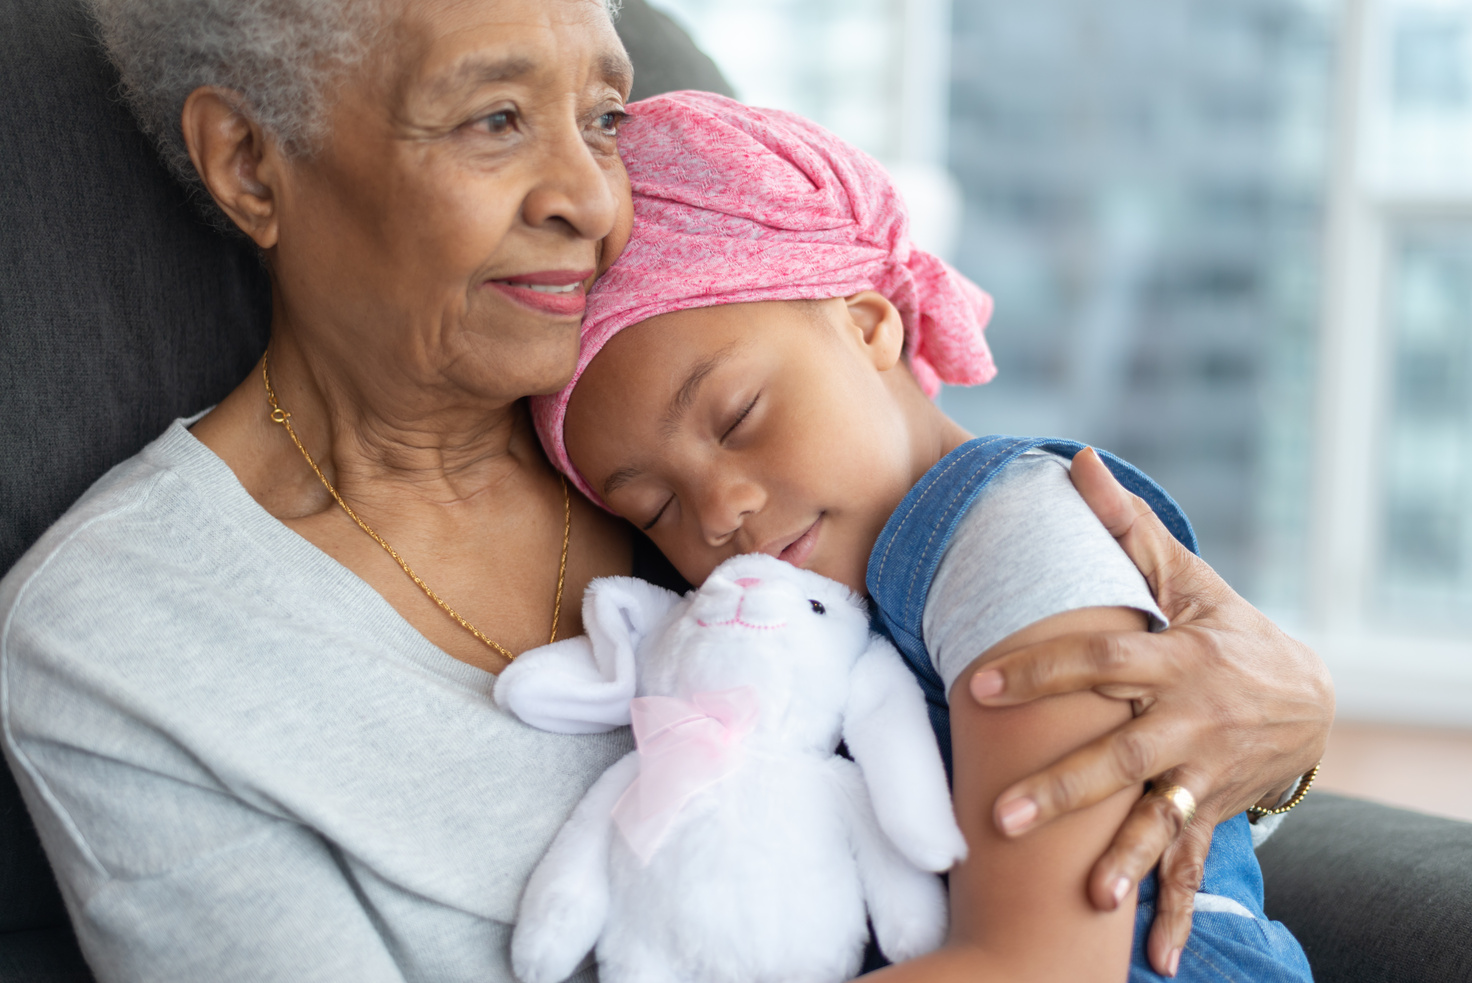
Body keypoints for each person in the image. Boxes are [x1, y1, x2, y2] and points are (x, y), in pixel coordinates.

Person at [0, 0, 1330, 979]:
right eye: (496, 118)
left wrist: (1277, 729)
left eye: (605, 117)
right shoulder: (122, 642)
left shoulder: (701, 402)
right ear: (249, 163)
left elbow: (1044, 653)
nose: (592, 196)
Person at [534, 91, 1316, 981]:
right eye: (655, 509)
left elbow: (1038, 962)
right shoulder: (786, 617)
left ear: (870, 325)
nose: (716, 512)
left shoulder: (1013, 538)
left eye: (739, 415)